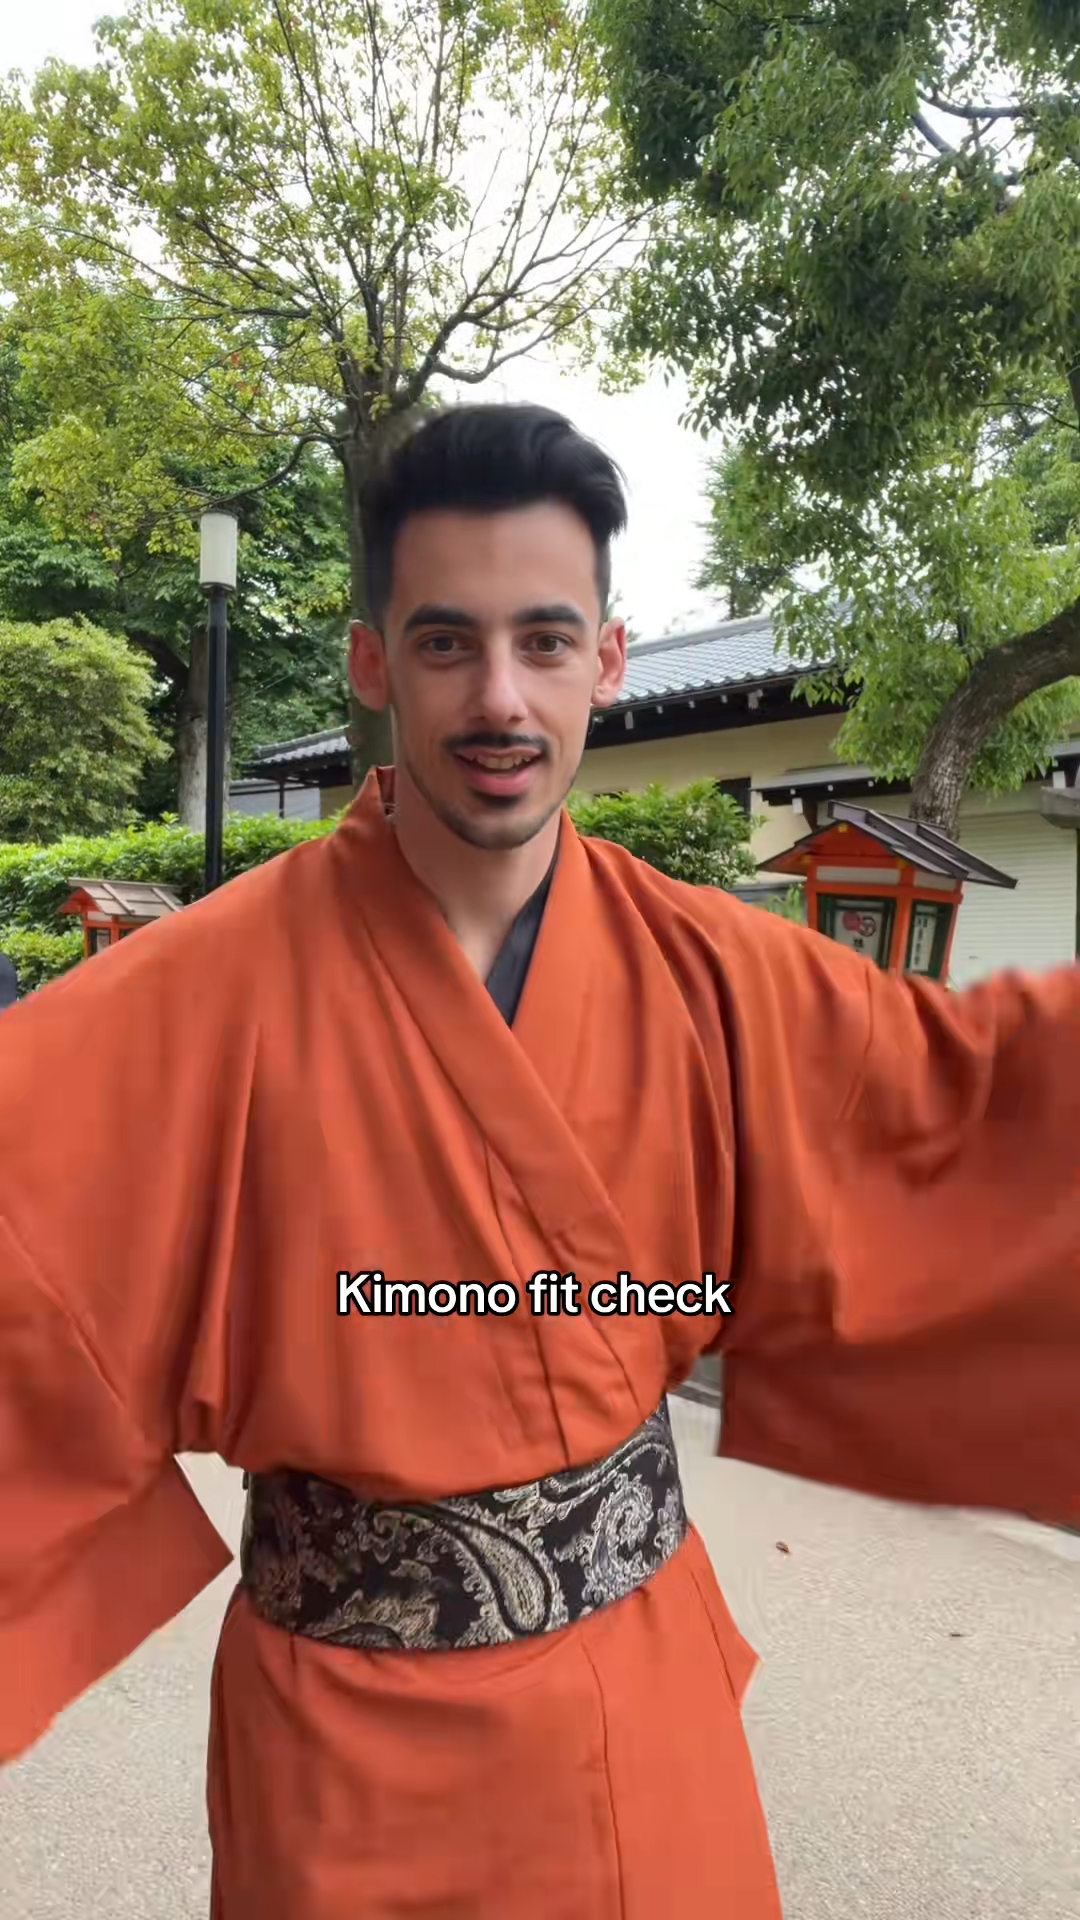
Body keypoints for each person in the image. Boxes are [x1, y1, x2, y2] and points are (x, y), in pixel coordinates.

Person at [0, 404, 1077, 1920]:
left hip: (643, 1715)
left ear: (608, 661)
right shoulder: (201, 988)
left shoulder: (712, 968)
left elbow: (979, 1110)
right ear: (373, 663)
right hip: (340, 1751)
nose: (499, 697)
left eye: (546, 641)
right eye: (446, 642)